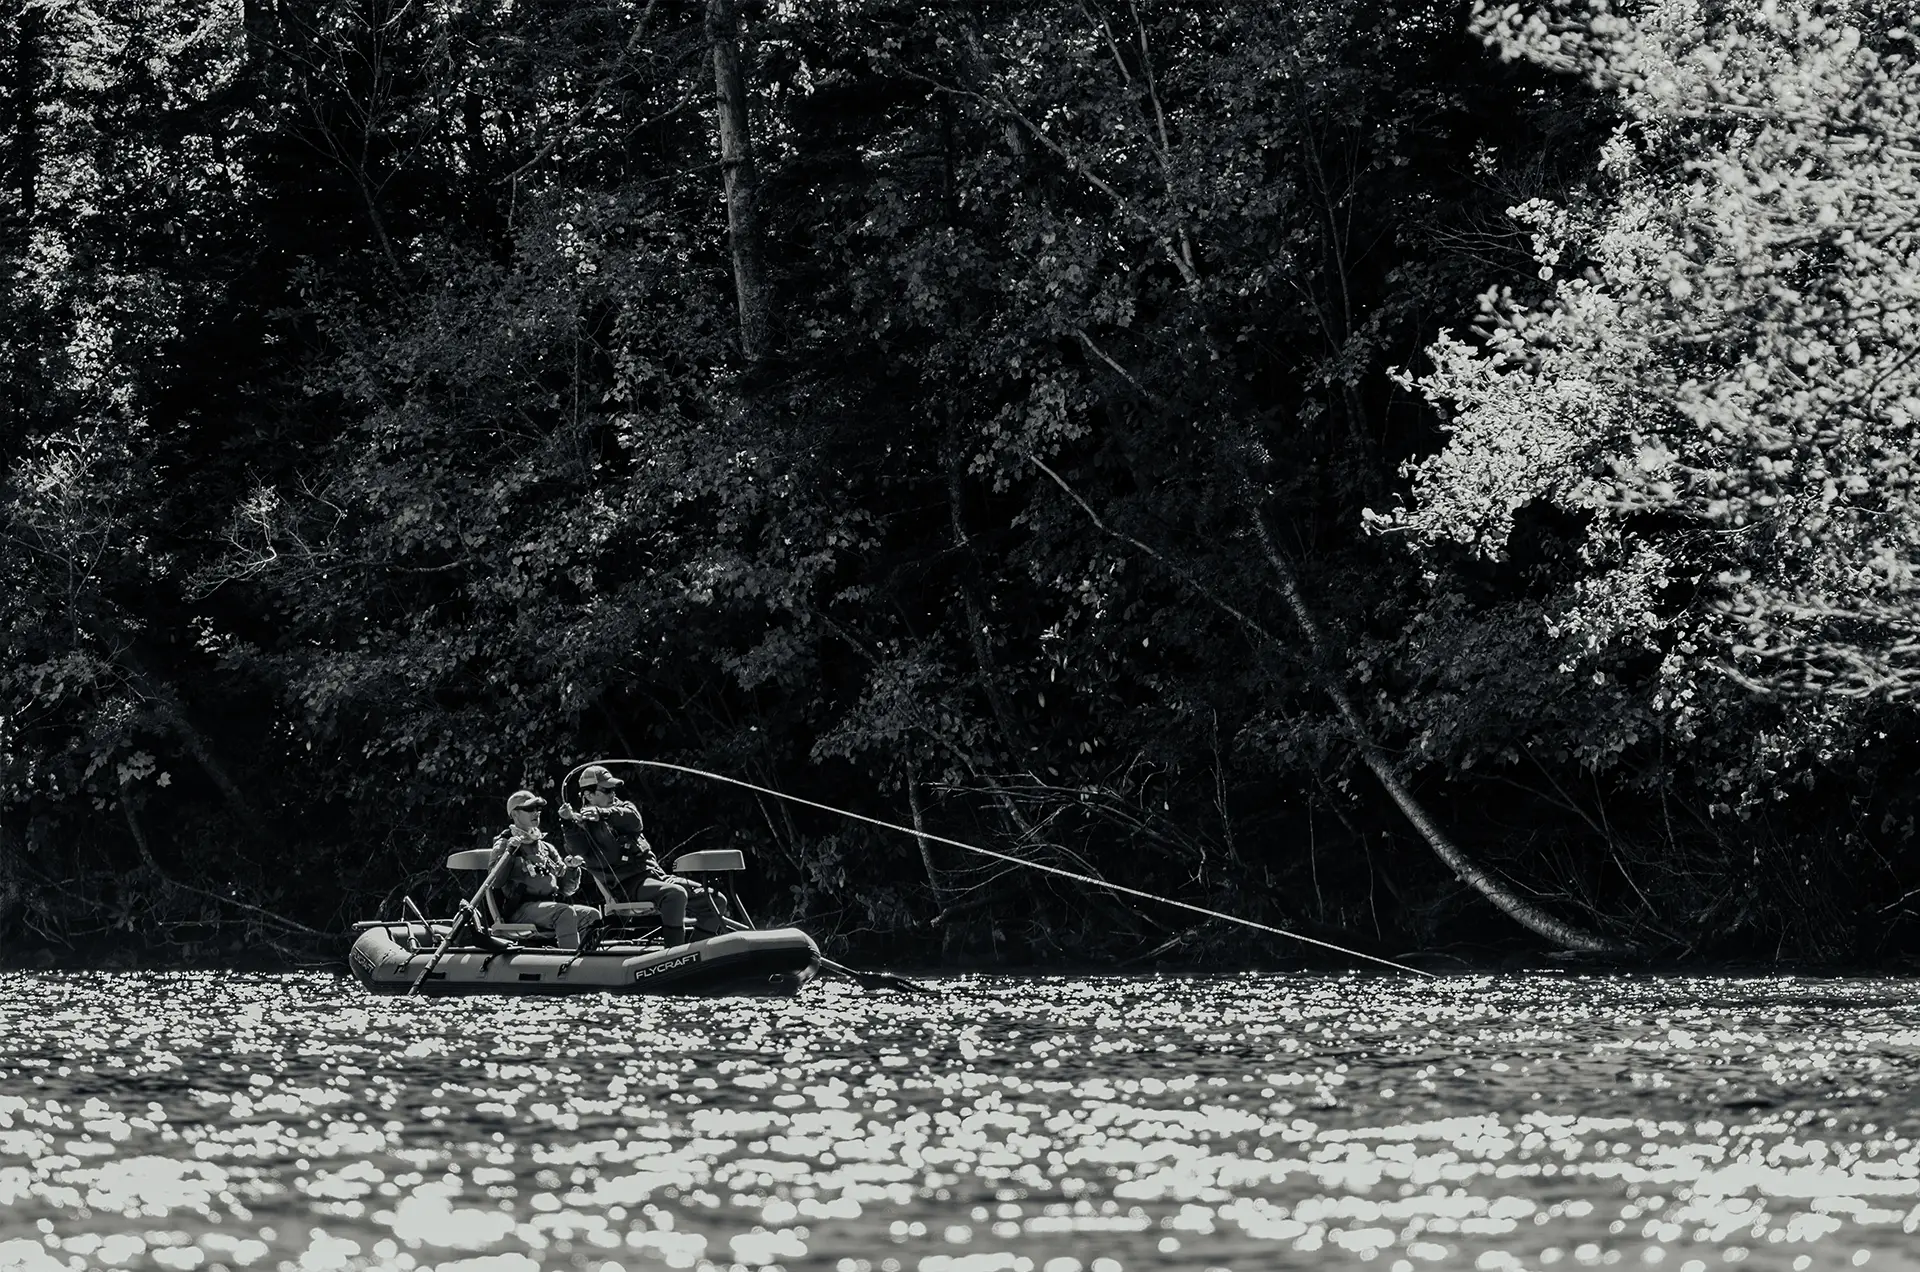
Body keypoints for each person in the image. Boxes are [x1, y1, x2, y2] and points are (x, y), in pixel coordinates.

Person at [559, 765, 728, 946]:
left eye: (613, 790)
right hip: (628, 888)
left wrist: (603, 813)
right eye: (606, 790)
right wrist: (568, 823)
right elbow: (576, 849)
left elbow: (635, 821)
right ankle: (674, 955)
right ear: (589, 795)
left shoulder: (623, 809)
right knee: (675, 895)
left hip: (656, 878)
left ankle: (694, 954)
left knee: (716, 900)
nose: (612, 794)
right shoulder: (580, 827)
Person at [492, 789, 601, 951]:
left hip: (549, 907)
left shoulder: (545, 848)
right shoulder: (505, 844)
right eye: (529, 809)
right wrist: (509, 854)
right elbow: (496, 881)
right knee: (564, 913)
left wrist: (572, 869)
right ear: (515, 815)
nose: (536, 813)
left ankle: (590, 962)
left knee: (591, 916)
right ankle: (570, 963)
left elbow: (567, 889)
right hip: (520, 910)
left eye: (537, 809)